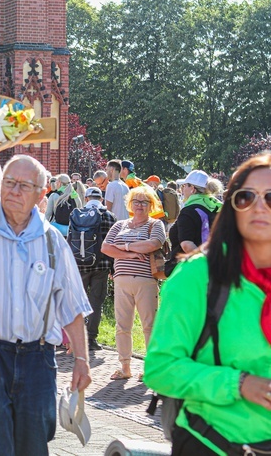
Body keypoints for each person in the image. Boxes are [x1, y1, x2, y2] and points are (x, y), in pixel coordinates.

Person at [0, 155, 93, 455]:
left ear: (41, 192)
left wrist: (82, 360)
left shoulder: (52, 241)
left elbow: (72, 304)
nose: (14, 191)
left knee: (35, 443)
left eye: (24, 185)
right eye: (9, 183)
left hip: (38, 358)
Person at [144, 153, 271, 454]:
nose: (260, 207)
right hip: (211, 441)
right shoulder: (198, 275)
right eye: (245, 197)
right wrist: (237, 384)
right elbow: (160, 369)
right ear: (231, 208)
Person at [101, 186, 166, 381]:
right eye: (136, 201)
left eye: (144, 202)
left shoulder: (155, 225)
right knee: (122, 325)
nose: (139, 205)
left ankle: (151, 368)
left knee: (149, 325)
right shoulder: (119, 225)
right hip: (121, 280)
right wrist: (132, 254)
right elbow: (105, 247)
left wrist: (124, 246)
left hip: (146, 280)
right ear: (130, 204)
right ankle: (125, 367)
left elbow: (153, 244)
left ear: (151, 205)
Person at [73, 187, 116, 350]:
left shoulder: (77, 214)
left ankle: (77, 338)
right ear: (101, 199)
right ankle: (91, 339)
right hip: (102, 265)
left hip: (80, 264)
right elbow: (113, 242)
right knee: (95, 303)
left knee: (78, 302)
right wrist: (113, 268)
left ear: (86, 198)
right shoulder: (109, 216)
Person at [167, 170, 222, 275]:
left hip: (192, 271)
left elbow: (187, 245)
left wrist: (206, 265)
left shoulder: (189, 211)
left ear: (192, 188)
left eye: (184, 186)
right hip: (219, 266)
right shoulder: (218, 207)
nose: (182, 189)